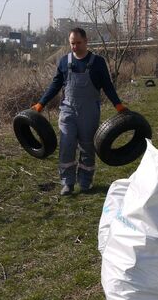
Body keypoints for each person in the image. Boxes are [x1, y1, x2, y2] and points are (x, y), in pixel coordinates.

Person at [31, 28, 127, 196]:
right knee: (67, 145)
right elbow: (55, 85)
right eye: (72, 43)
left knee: (87, 147)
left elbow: (107, 86)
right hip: (68, 111)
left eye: (78, 43)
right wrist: (41, 104)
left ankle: (85, 181)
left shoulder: (97, 62)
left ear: (86, 41)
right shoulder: (63, 62)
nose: (74, 46)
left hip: (89, 112)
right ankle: (67, 182)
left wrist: (117, 105)